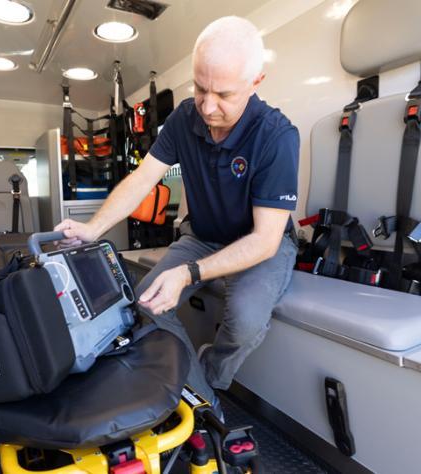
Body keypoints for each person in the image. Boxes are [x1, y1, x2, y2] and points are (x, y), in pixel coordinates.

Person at [55, 16, 299, 406]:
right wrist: (93, 228)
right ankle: (197, 394)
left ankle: (211, 376)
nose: (207, 105)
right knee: (144, 304)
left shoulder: (277, 136)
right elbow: (141, 180)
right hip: (203, 237)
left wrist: (187, 275)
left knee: (245, 319)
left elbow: (265, 239)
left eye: (223, 94)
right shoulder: (185, 118)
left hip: (258, 243)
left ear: (256, 83)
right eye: (200, 88)